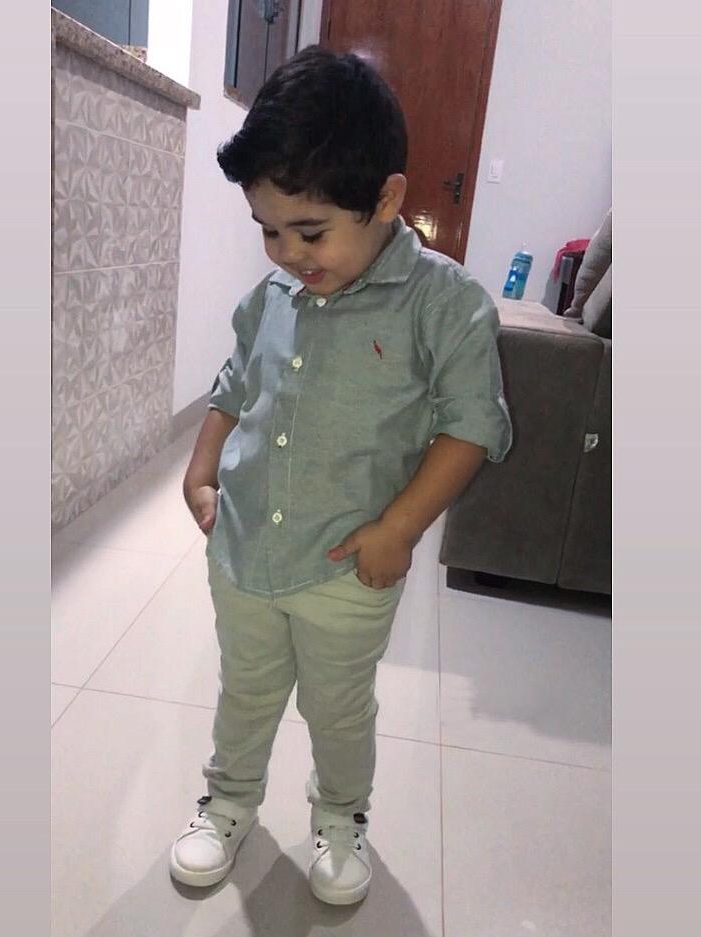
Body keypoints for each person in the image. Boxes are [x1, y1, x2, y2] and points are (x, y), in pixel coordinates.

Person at [169, 44, 512, 906]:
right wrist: (201, 469)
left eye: (311, 231)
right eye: (269, 230)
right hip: (245, 551)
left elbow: (472, 425)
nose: (288, 252)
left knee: (338, 706)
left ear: (387, 199)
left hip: (348, 567)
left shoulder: (444, 304)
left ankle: (340, 816)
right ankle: (228, 801)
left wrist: (399, 528)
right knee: (246, 691)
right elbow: (233, 384)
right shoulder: (270, 298)